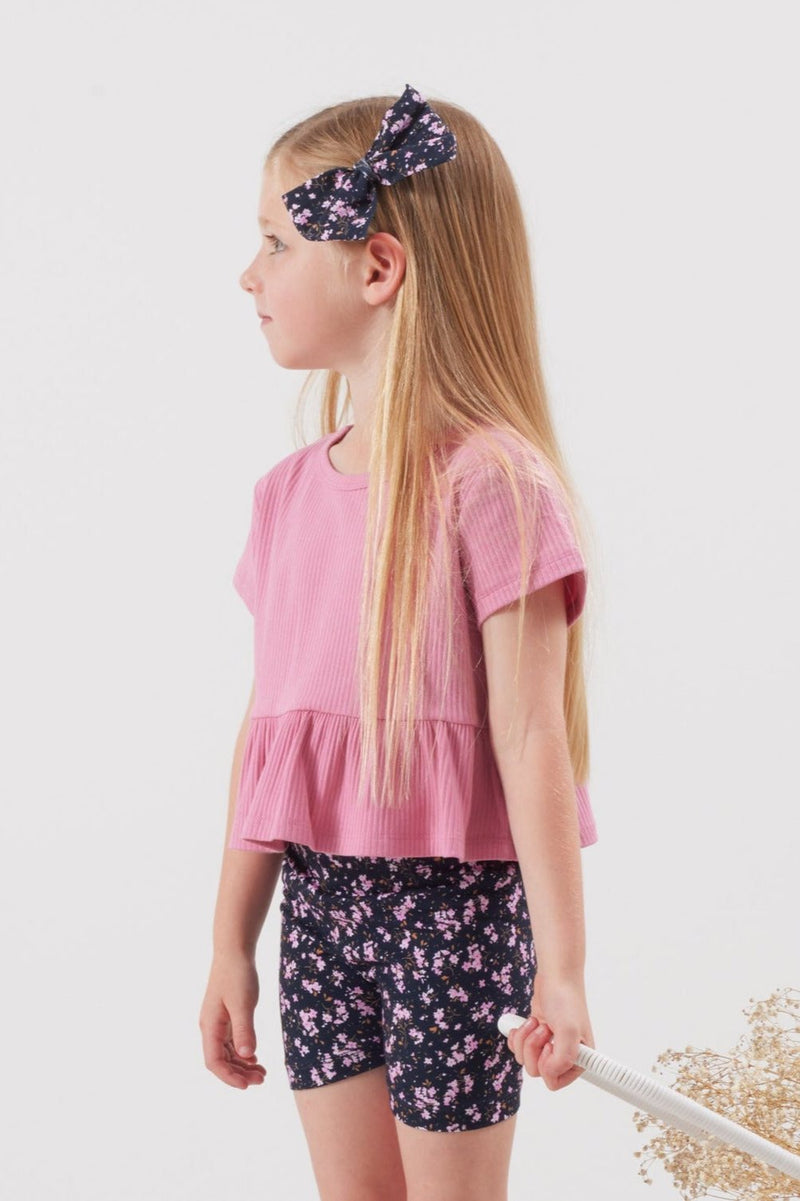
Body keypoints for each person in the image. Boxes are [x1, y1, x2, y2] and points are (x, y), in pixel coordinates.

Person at [199, 82, 599, 1201]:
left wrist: (563, 969)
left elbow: (530, 736)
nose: (249, 276)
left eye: (276, 243)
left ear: (377, 267)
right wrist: (230, 941)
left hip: (453, 917)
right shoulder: (286, 496)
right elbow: (269, 737)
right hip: (318, 911)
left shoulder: (494, 484)